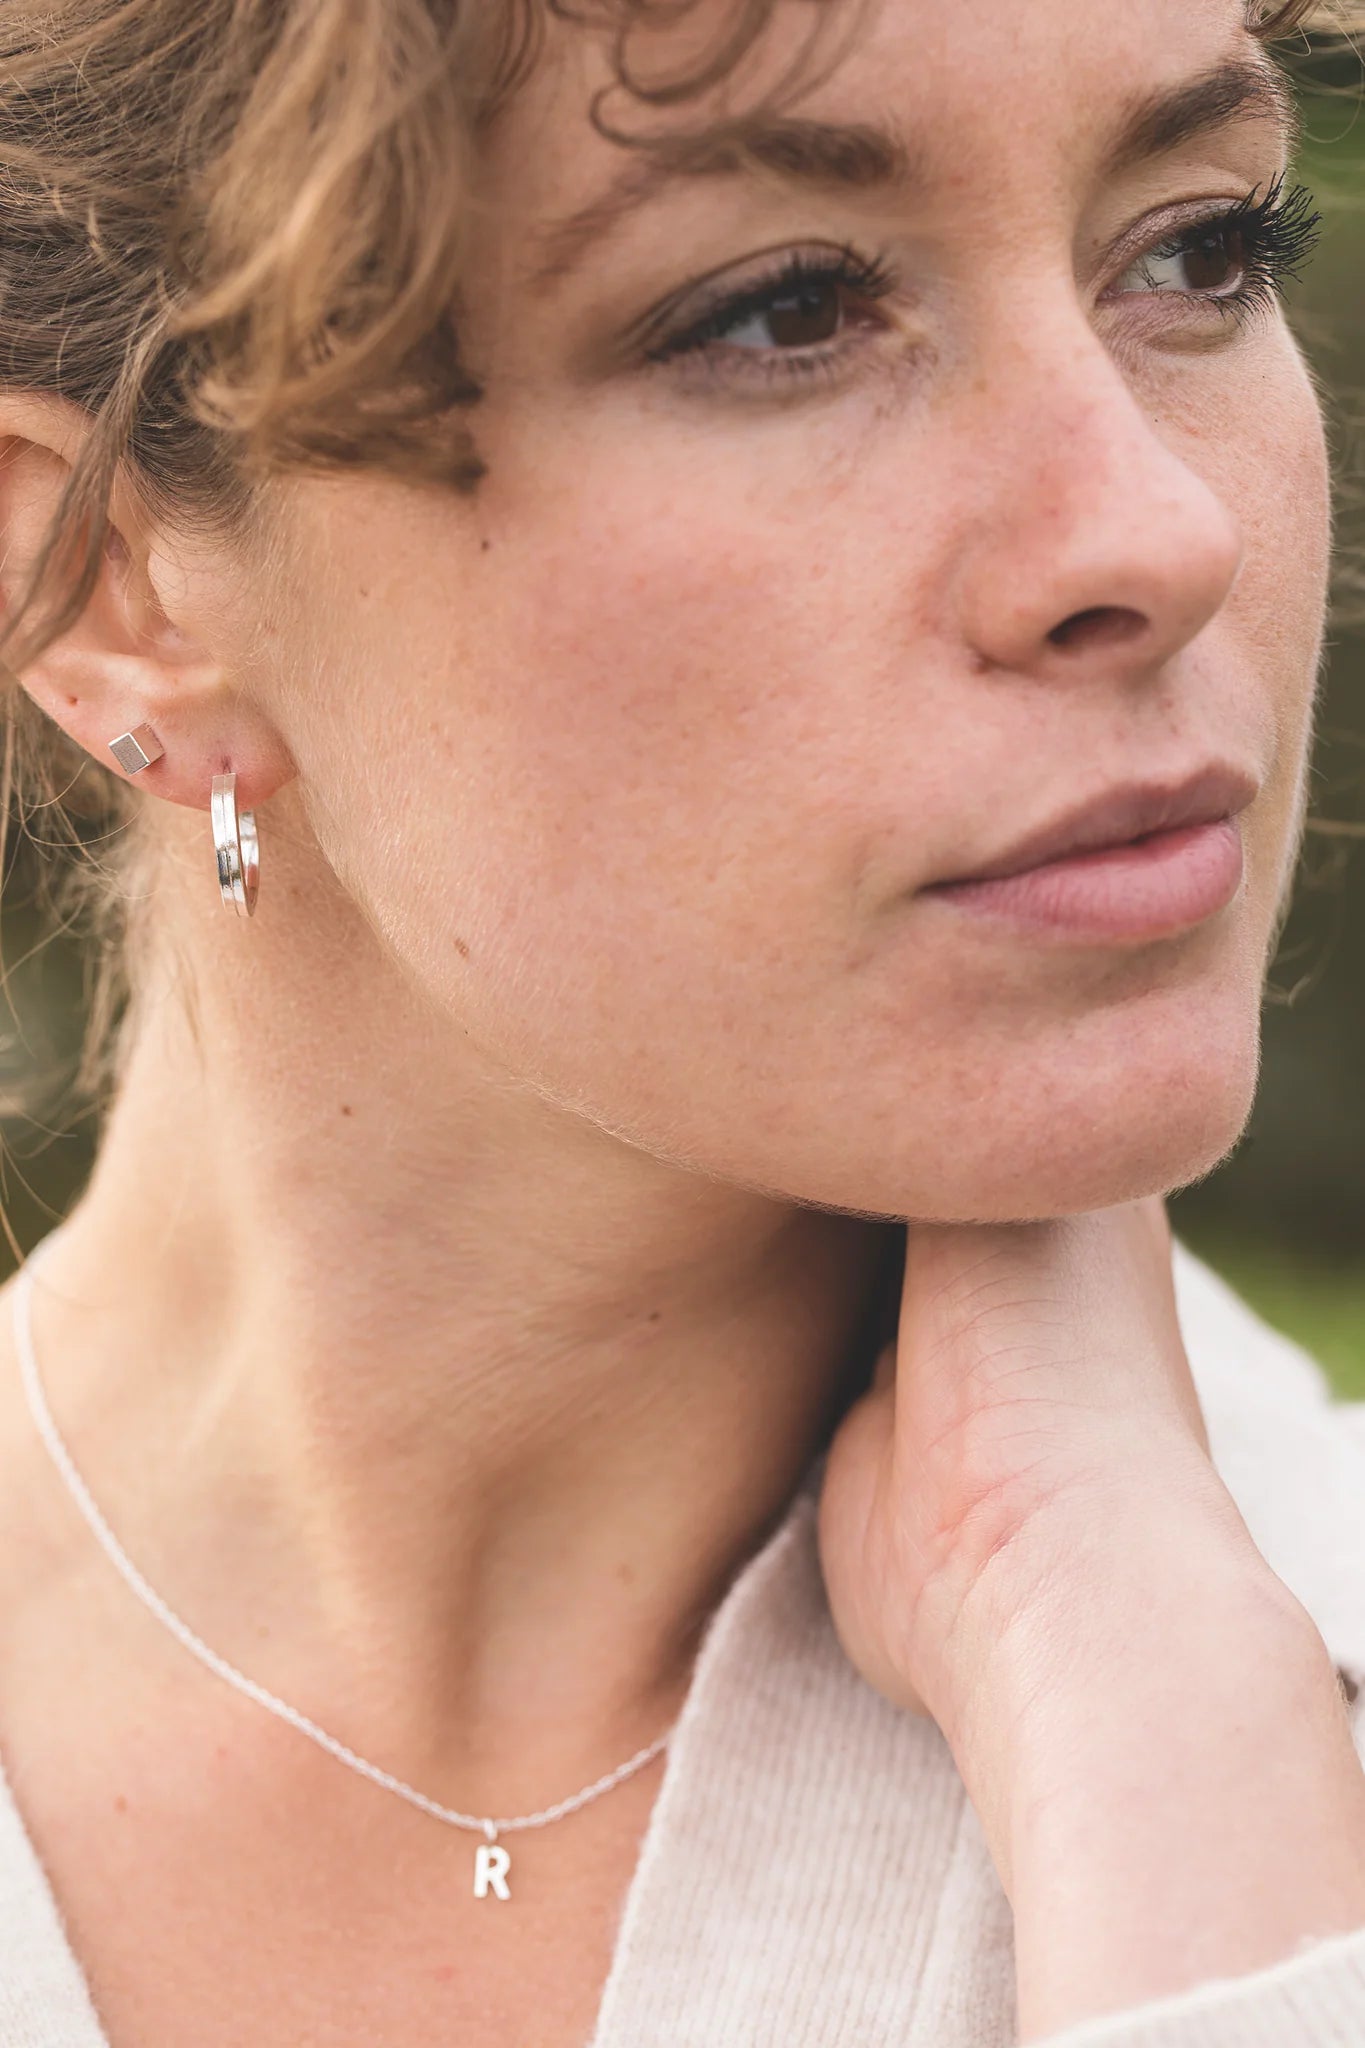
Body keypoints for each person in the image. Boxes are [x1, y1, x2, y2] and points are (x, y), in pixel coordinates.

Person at [1, 0, 1364, 2041]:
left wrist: (1177, 1748)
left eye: (1194, 248)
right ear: (109, 581)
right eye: (783, 310)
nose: (1152, 534)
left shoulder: (1267, 1713)